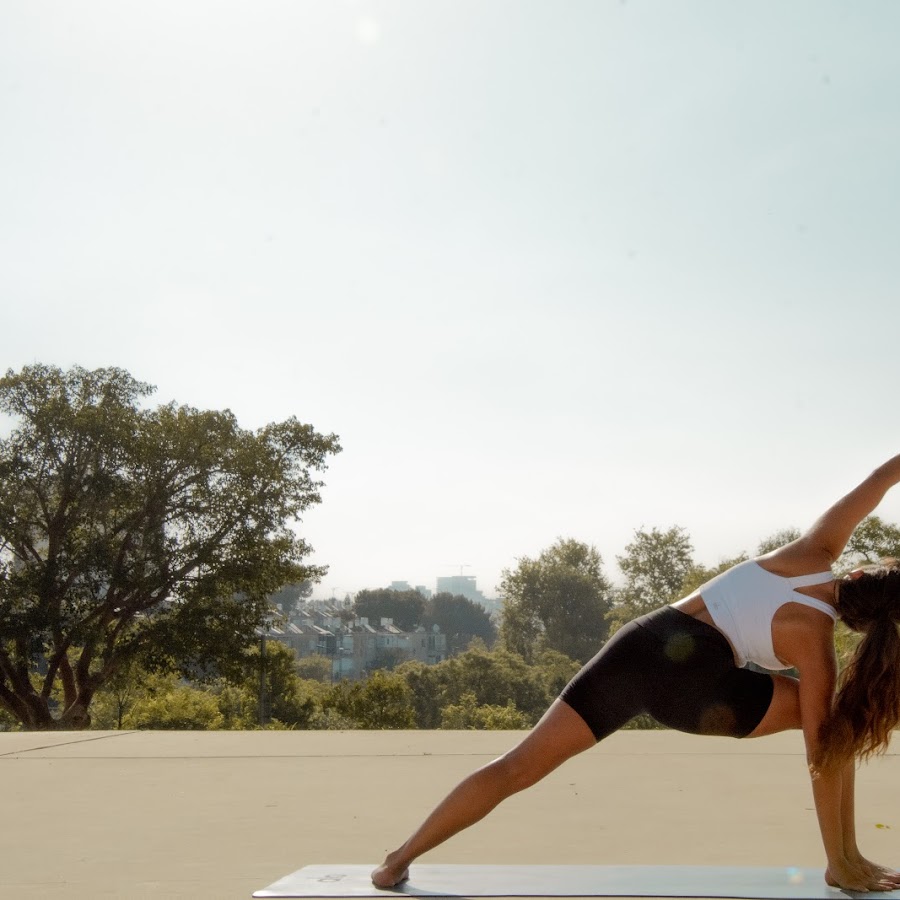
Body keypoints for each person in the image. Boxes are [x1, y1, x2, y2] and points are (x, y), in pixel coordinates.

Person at [372, 453, 900, 893]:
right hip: (694, 688)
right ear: (867, 625)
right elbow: (821, 757)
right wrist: (838, 857)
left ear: (859, 572)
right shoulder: (816, 646)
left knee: (516, 767)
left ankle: (398, 860)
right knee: (835, 730)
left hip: (638, 644)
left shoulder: (812, 552)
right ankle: (843, 861)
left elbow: (881, 479)